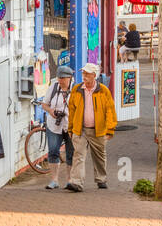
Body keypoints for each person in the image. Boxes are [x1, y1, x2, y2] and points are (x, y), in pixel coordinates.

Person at [66, 63, 117, 192]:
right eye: (83, 73)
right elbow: (72, 110)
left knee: (99, 156)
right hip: (80, 129)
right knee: (78, 155)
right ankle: (76, 182)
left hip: (98, 130)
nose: (84, 76)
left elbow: (110, 110)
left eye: (87, 74)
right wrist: (70, 128)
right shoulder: (76, 89)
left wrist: (110, 130)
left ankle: (101, 179)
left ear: (94, 75)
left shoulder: (103, 90)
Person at [43, 67, 75, 190]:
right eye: (59, 78)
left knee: (71, 153)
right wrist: (51, 111)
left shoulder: (76, 89)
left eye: (63, 78)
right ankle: (54, 180)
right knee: (53, 151)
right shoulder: (53, 87)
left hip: (71, 125)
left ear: (70, 78)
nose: (60, 81)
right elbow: (44, 104)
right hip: (54, 125)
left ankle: (70, 180)